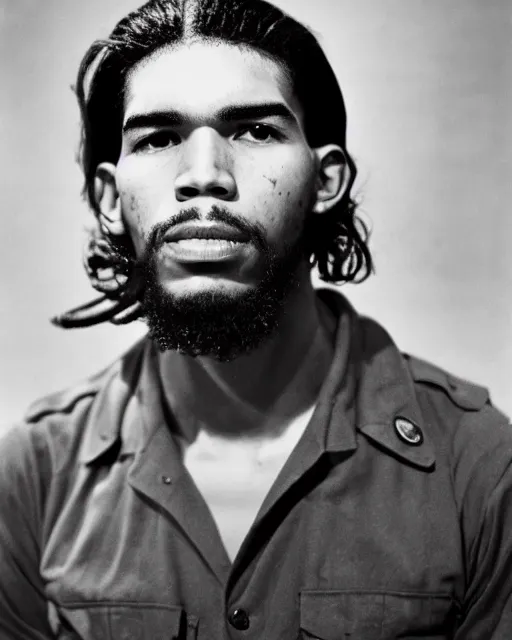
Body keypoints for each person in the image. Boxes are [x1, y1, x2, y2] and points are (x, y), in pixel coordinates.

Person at [1, 0, 511, 637]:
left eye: (255, 131)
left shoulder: (480, 465)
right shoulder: (35, 472)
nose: (204, 176)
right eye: (159, 139)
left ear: (325, 181)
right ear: (109, 199)